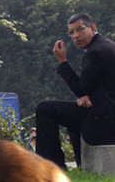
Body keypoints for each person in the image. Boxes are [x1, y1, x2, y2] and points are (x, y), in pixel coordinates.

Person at [35, 13, 115, 169]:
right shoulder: (107, 45)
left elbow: (80, 87)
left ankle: (51, 166)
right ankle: (80, 165)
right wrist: (85, 96)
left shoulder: (95, 52)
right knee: (73, 115)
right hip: (104, 112)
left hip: (104, 119)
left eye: (80, 29)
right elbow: (94, 86)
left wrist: (62, 61)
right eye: (71, 32)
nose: (76, 36)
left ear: (93, 28)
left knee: (44, 109)